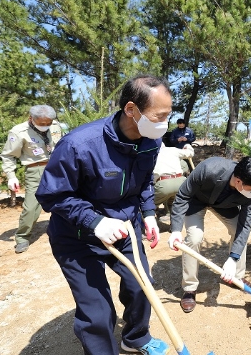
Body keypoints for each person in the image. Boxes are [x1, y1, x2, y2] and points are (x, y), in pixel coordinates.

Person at [35, 75, 173, 355]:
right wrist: (94, 221)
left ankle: (135, 338)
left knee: (141, 287)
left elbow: (144, 181)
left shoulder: (151, 141)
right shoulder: (80, 144)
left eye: (168, 115)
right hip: (77, 238)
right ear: (131, 110)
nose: (164, 123)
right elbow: (52, 194)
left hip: (124, 228)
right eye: (160, 116)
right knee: (97, 314)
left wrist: (148, 214)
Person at [167, 156, 251, 313]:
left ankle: (237, 277)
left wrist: (233, 259)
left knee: (237, 230)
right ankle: (189, 288)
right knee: (194, 237)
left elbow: (245, 225)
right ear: (239, 181)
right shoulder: (209, 169)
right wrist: (175, 231)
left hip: (225, 206)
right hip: (197, 200)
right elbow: (182, 196)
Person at [1, 105, 63, 253]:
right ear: (31, 119)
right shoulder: (18, 132)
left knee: (65, 199)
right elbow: (8, 155)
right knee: (31, 207)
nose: (46, 126)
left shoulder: (55, 126)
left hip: (56, 167)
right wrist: (11, 176)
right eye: (42, 124)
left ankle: (66, 230)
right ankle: (22, 237)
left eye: (49, 122)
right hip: (36, 170)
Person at [153, 143, 195, 219]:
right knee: (174, 205)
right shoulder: (173, 150)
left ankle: (143, 225)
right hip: (181, 182)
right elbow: (190, 153)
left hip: (164, 183)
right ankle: (175, 227)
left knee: (148, 206)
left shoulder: (152, 154)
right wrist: (187, 146)